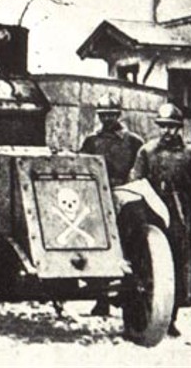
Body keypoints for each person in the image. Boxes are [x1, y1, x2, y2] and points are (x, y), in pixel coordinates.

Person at [129, 103, 191, 337]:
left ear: (179, 128)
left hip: (179, 216)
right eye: (163, 126)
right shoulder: (147, 151)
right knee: (144, 264)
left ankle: (171, 318)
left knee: (178, 267)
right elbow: (135, 183)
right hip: (151, 213)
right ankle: (137, 317)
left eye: (171, 127)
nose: (166, 132)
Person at [80, 94, 144, 316]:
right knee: (97, 244)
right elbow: (82, 168)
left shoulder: (133, 142)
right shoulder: (91, 141)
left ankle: (127, 296)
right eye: (103, 115)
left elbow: (139, 173)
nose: (107, 119)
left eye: (111, 114)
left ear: (119, 114)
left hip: (121, 199)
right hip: (95, 198)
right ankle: (100, 299)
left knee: (126, 246)